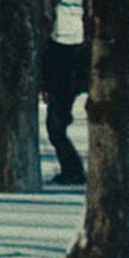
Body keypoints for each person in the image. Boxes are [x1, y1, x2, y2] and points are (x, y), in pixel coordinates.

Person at [41, 36, 89, 186]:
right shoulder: (48, 49)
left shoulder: (50, 51)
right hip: (61, 90)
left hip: (61, 91)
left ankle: (73, 171)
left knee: (56, 131)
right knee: (56, 131)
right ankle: (72, 170)